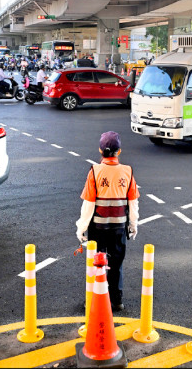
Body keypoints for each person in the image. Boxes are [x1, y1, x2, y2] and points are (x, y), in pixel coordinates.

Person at [75, 131, 139, 312]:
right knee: (116, 263)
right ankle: (116, 301)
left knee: (98, 263)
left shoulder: (94, 172)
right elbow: (133, 203)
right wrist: (133, 224)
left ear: (100, 151)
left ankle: (96, 300)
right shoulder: (127, 171)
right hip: (119, 227)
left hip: (98, 228)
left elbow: (88, 203)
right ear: (119, 152)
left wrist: (82, 227)